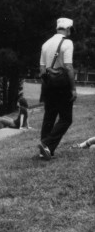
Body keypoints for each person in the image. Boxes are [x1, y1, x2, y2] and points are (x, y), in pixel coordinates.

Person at [38, 18, 76, 160]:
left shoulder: (45, 44)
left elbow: (42, 69)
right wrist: (73, 89)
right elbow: (68, 67)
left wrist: (48, 84)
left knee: (49, 116)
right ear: (67, 29)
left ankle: (45, 151)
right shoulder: (67, 43)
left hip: (48, 85)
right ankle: (46, 144)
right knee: (66, 118)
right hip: (62, 84)